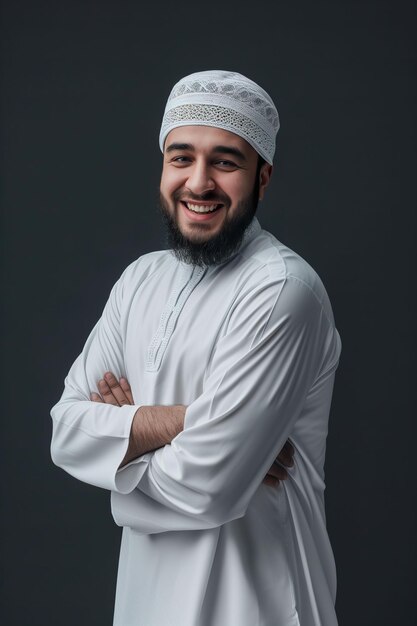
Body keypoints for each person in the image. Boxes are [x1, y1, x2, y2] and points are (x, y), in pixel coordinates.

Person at [50, 70, 342, 626]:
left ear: (263, 177)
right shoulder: (139, 280)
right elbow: (66, 430)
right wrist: (190, 422)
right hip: (144, 602)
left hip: (258, 603)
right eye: (181, 158)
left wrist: (119, 449)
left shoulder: (282, 289)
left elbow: (208, 486)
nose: (199, 182)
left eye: (226, 162)